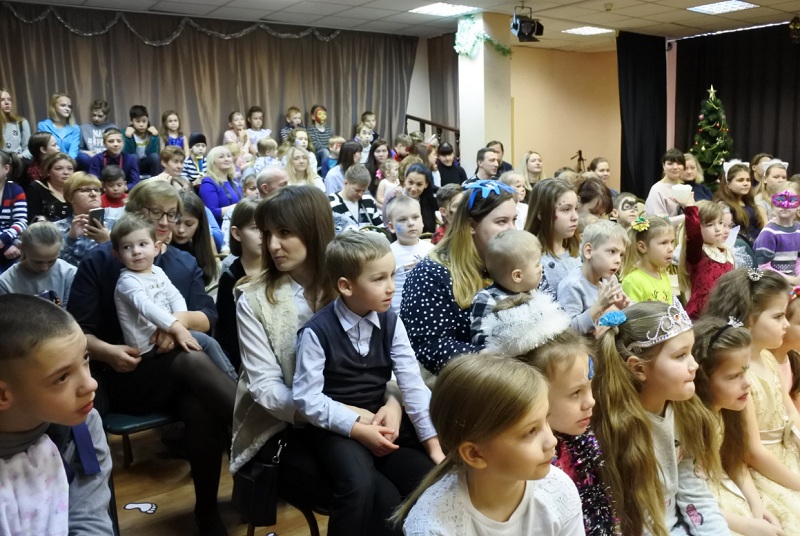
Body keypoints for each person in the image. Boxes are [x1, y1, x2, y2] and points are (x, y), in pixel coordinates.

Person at [67, 179, 234, 535]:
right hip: (126, 375)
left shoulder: (182, 261)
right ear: (133, 212)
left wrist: (177, 323)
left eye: (171, 214)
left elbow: (208, 317)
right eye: (154, 212)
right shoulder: (101, 261)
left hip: (183, 376)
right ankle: (255, 430)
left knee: (199, 403)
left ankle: (207, 511)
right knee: (192, 360)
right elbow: (76, 332)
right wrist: (107, 351)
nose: (165, 222)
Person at [293, 231, 443, 535]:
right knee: (360, 486)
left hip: (381, 419)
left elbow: (412, 383)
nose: (391, 287)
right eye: (379, 279)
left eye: (392, 275)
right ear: (346, 286)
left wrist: (434, 446)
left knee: (429, 476)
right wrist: (357, 428)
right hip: (337, 430)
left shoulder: (391, 321)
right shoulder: (316, 332)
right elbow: (307, 400)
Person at [396, 352, 583, 535]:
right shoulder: (432, 527)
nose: (551, 441)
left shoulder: (558, 490)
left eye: (546, 420)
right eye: (530, 431)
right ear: (475, 454)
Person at [484, 291, 617, 535]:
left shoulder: (586, 440)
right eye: (575, 393)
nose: (590, 401)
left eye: (589, 387)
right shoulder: (523, 468)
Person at [592, 301, 727, 535]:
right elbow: (635, 524)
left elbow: (695, 496)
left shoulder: (685, 412)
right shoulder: (617, 430)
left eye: (691, 352)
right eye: (680, 356)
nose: (694, 365)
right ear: (639, 369)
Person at [0, 294, 113, 535]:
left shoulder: (83, 425)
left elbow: (90, 519)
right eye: (62, 377)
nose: (91, 384)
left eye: (85, 358)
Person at [705, 269, 800, 528]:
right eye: (778, 316)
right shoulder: (741, 379)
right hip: (764, 468)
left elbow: (790, 411)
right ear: (748, 319)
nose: (786, 324)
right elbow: (752, 452)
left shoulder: (768, 357)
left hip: (787, 454)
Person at [401, 180, 518, 375]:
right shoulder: (429, 274)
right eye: (501, 222)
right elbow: (431, 347)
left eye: (514, 220)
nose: (513, 230)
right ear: (471, 225)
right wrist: (499, 359)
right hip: (465, 380)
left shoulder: (514, 260)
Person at [691, 316, 791, 534]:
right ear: (703, 379)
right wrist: (749, 525)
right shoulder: (690, 423)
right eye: (734, 376)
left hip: (728, 489)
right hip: (705, 505)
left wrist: (757, 506)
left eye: (746, 370)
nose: (747, 383)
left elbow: (734, 460)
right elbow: (691, 499)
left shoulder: (729, 410)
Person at [110, 214, 235, 380]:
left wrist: (180, 323)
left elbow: (175, 297)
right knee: (205, 343)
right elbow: (147, 308)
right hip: (146, 348)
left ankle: (233, 381)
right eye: (127, 247)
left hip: (166, 335)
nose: (136, 251)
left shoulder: (157, 271)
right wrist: (177, 328)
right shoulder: (127, 282)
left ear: (156, 247)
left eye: (142, 244)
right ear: (118, 255)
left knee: (205, 345)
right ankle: (235, 383)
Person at [469, 229, 542, 346]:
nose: (541, 268)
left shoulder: (534, 291)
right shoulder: (487, 299)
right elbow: (480, 340)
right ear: (518, 276)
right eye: (537, 264)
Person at [557, 220, 630, 335]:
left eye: (621, 255)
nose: (618, 260)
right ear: (588, 251)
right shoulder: (572, 285)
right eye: (612, 251)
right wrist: (599, 306)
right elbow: (569, 331)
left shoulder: (610, 279)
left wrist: (621, 307)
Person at [215, 198, 260, 368]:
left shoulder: (280, 269)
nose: (263, 234)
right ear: (237, 233)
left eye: (267, 227)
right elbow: (227, 334)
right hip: (244, 359)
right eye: (255, 228)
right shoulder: (230, 277)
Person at [678, 200, 733, 319]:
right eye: (710, 225)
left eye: (720, 223)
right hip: (702, 315)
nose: (718, 229)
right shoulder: (697, 252)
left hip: (724, 311)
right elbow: (694, 235)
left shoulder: (726, 252)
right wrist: (690, 208)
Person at [525, 178, 581, 295]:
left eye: (576, 208)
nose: (575, 217)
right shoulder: (532, 262)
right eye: (566, 209)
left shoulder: (583, 251)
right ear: (541, 214)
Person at [0, 221, 75, 307]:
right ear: (21, 248)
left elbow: (71, 311)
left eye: (51, 261)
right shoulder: (6, 283)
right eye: (38, 262)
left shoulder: (69, 273)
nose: (44, 268)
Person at [55, 172, 124, 267]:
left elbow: (128, 260)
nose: (93, 194)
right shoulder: (57, 228)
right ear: (70, 197)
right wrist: (70, 239)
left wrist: (107, 242)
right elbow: (51, 265)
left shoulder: (117, 223)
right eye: (85, 190)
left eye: (96, 189)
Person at [387, 196, 434, 312]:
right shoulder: (388, 254)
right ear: (392, 227)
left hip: (430, 310)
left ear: (422, 220)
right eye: (403, 220)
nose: (411, 223)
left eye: (415, 217)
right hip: (401, 313)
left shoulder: (432, 250)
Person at [620, 215, 675, 304]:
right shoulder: (633, 281)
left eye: (672, 242)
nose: (671, 249)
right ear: (642, 247)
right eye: (664, 243)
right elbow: (632, 312)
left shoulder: (663, 274)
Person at [170, 191, 219, 285]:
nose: (181, 230)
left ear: (199, 225)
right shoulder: (160, 253)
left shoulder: (201, 252)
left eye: (189, 224)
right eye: (176, 222)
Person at [715, 159, 764, 248]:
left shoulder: (749, 202)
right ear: (728, 184)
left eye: (748, 180)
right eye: (740, 180)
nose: (746, 183)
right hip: (740, 247)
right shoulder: (723, 206)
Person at [754, 188, 800, 281]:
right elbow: (764, 268)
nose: (785, 205)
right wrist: (792, 280)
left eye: (792, 200)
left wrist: (798, 278)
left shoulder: (798, 229)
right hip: (773, 284)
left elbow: (798, 260)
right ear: (773, 204)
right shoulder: (768, 233)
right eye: (780, 199)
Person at [382, 164, 438, 234]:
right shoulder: (394, 197)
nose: (413, 188)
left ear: (426, 184)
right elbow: (390, 228)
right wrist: (401, 203)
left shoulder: (430, 200)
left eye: (419, 184)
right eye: (410, 182)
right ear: (405, 180)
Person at [198, 145, 241, 225]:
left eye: (228, 156)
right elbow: (212, 213)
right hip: (221, 228)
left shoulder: (233, 181)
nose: (226, 159)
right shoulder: (208, 184)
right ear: (213, 162)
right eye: (221, 157)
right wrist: (238, 207)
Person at [26, 152, 74, 223]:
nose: (66, 172)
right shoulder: (36, 188)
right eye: (59, 169)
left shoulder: (77, 188)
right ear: (48, 172)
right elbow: (32, 219)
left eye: (70, 169)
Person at [645, 148, 686, 224]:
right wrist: (687, 216)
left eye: (679, 163)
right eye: (670, 164)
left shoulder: (684, 188)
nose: (675, 167)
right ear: (664, 166)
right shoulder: (657, 190)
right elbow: (659, 222)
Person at [0, 150, 25, 271]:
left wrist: (4, 239)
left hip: (10, 241)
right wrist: (4, 247)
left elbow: (21, 221)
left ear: (6, 168)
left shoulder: (16, 190)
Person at [36, 93, 80, 159]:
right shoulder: (43, 125)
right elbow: (45, 150)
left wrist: (66, 162)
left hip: (68, 161)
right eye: (63, 105)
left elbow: (73, 152)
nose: (67, 109)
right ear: (54, 107)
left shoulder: (75, 128)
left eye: (69, 106)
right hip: (49, 161)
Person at [77, 100, 116, 171]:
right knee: (82, 157)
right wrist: (86, 152)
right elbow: (78, 149)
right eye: (94, 115)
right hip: (90, 159)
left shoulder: (113, 128)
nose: (96, 118)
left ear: (106, 115)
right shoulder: (84, 128)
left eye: (100, 116)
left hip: (107, 158)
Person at [122, 104, 161, 177]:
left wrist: (154, 137)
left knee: (155, 157)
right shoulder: (126, 133)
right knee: (133, 157)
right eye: (138, 121)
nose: (141, 124)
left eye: (144, 121)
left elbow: (153, 153)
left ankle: (157, 181)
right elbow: (126, 155)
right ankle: (134, 182)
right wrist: (128, 138)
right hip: (132, 165)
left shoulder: (151, 133)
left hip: (146, 164)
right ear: (131, 121)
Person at [1, 88, 31, 158]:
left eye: (9, 99)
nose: (7, 102)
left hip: (17, 161)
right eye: (2, 100)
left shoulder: (21, 122)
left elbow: (28, 149)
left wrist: (19, 157)